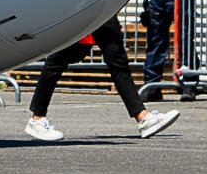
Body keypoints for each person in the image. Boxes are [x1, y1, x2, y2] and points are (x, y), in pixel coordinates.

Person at [24, 17, 180, 142]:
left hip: (104, 5)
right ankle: (37, 117)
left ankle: (143, 118)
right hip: (81, 5)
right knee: (57, 60)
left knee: (118, 62)